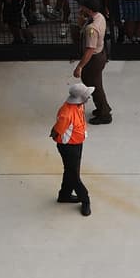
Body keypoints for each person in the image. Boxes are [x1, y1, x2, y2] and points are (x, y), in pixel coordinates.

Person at [51, 82, 93, 216]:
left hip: (76, 144)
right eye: (86, 95)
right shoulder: (66, 114)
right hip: (69, 147)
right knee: (74, 175)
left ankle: (65, 195)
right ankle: (85, 199)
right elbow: (56, 132)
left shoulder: (79, 105)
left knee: (70, 171)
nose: (88, 98)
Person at [73, 0, 112, 124]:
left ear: (89, 9)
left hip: (94, 59)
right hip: (101, 55)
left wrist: (80, 66)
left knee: (94, 86)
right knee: (96, 84)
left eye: (83, 7)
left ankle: (104, 114)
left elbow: (90, 49)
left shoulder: (91, 29)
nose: (81, 8)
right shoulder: (99, 17)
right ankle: (103, 108)